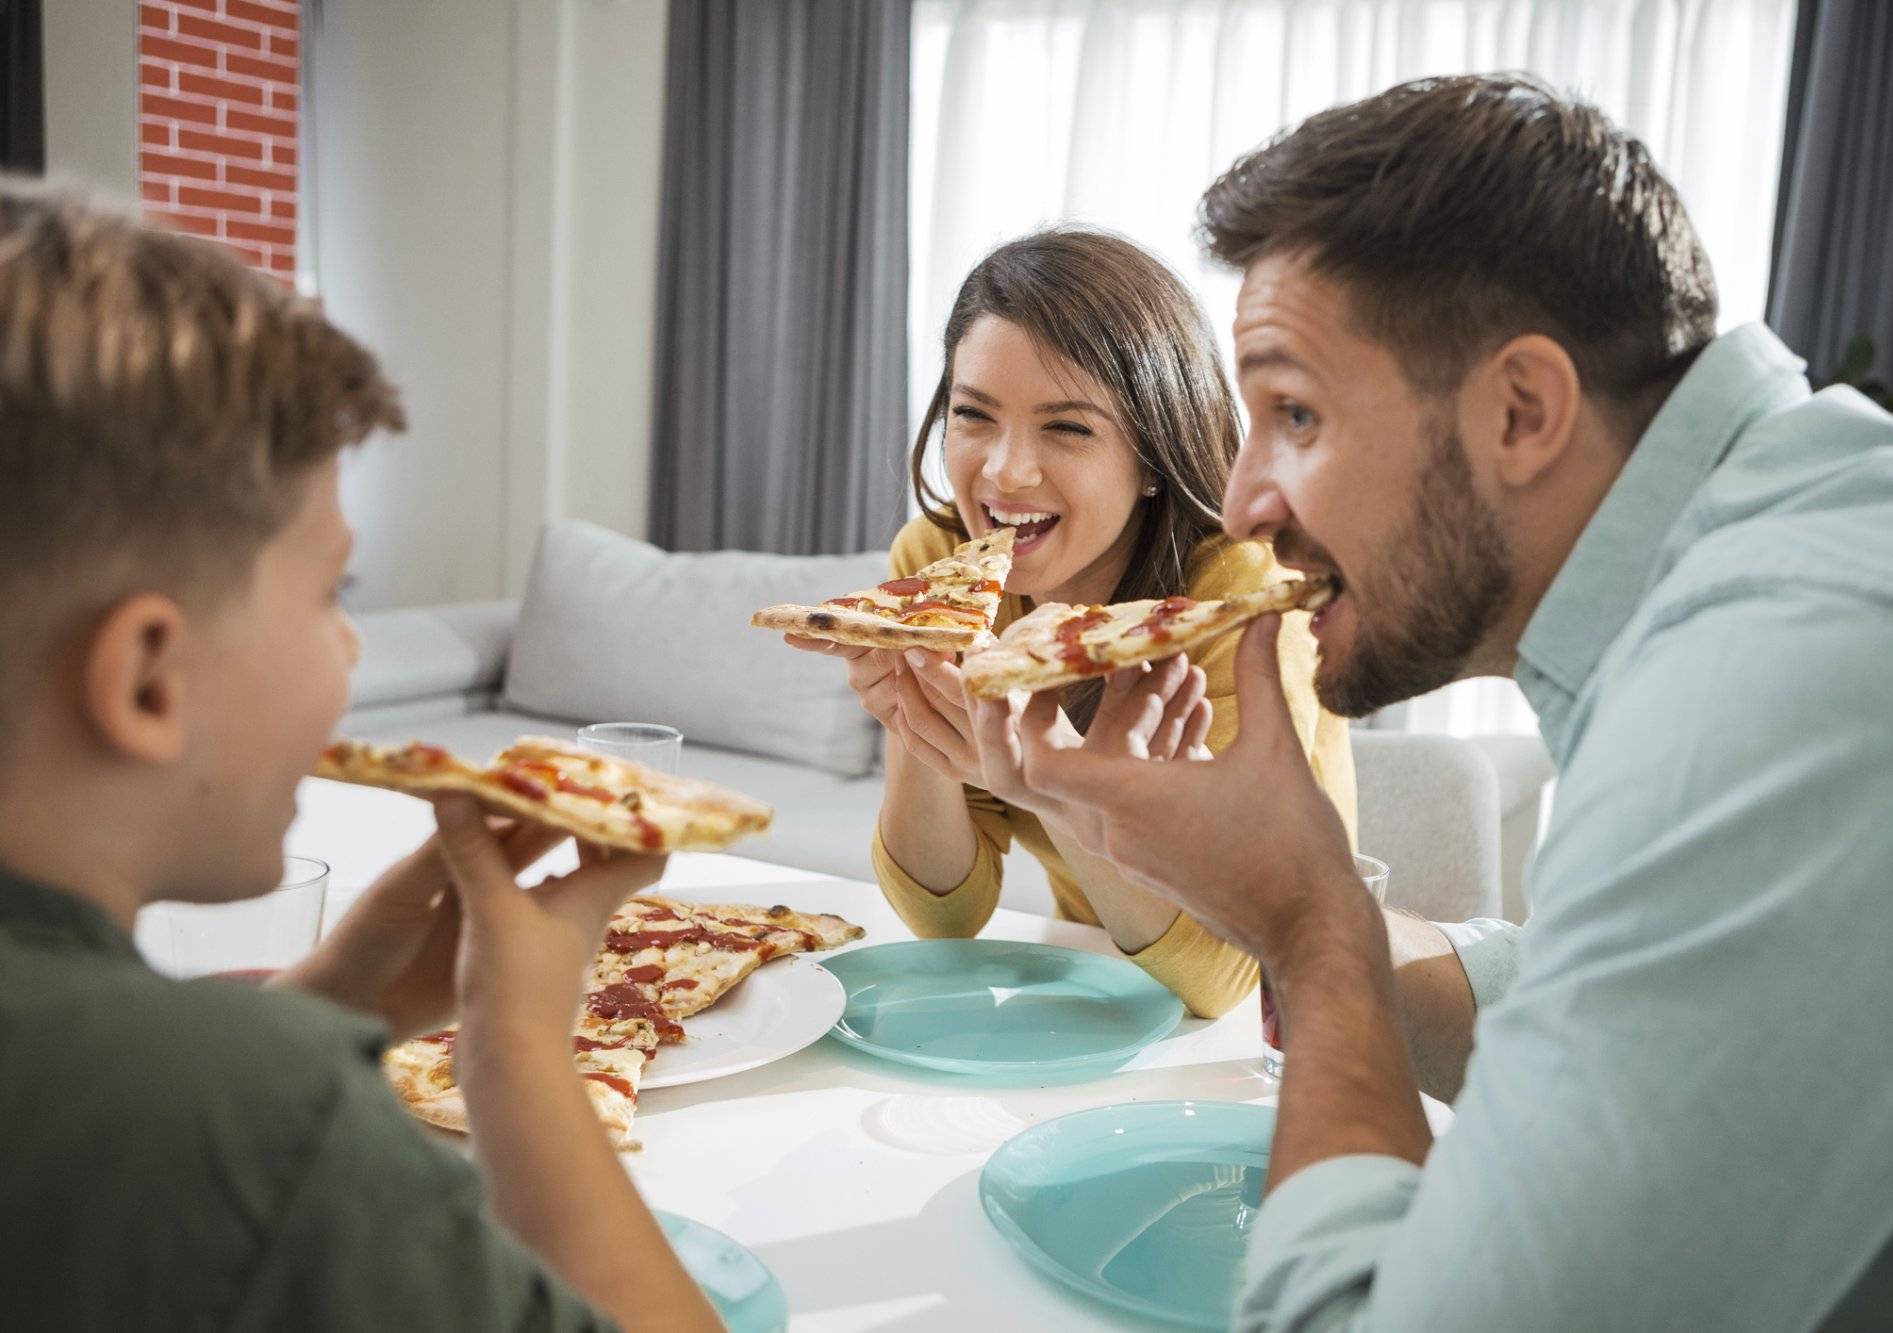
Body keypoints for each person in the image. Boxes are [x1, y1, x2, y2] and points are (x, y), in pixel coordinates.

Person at [967, 75, 1893, 1327]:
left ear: (1520, 409)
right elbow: (1605, 973)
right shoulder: (1793, 541)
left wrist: (1314, 927)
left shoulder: (1807, 667)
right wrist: (1237, 884)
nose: (1241, 499)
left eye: (1293, 411)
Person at [0, 183, 721, 1331]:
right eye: (331, 590)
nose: (349, 647)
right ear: (144, 676)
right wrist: (522, 1055)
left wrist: (335, 1002)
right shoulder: (251, 1128)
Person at [788, 228, 1357, 1017]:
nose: (1005, 471)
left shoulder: (1233, 601)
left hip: (1273, 1024)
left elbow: (1226, 979)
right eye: (974, 415)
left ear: (1154, 453)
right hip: (1080, 996)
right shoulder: (938, 560)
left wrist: (1049, 781)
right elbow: (944, 919)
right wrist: (910, 705)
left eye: (1068, 427)